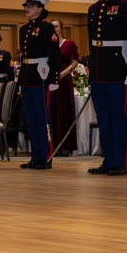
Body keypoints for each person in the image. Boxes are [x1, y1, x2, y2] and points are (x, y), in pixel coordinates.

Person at [85, 0, 127, 176]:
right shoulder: (93, 9)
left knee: (118, 117)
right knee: (104, 117)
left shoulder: (125, 6)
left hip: (118, 69)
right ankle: (108, 160)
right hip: (99, 70)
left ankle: (119, 162)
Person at [17, 0, 62, 169]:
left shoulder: (46, 28)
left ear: (40, 8)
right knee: (32, 119)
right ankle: (35, 156)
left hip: (42, 75)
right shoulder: (23, 29)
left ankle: (46, 156)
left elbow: (54, 54)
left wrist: (55, 78)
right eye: (26, 5)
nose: (27, 8)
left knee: (43, 118)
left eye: (31, 5)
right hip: (28, 76)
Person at [50, 18, 80, 156]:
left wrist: (62, 74)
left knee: (64, 110)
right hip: (50, 79)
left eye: (56, 26)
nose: (53, 28)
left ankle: (66, 145)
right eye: (51, 26)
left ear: (61, 28)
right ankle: (53, 144)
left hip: (64, 78)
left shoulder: (69, 44)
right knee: (52, 111)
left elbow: (74, 62)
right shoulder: (48, 44)